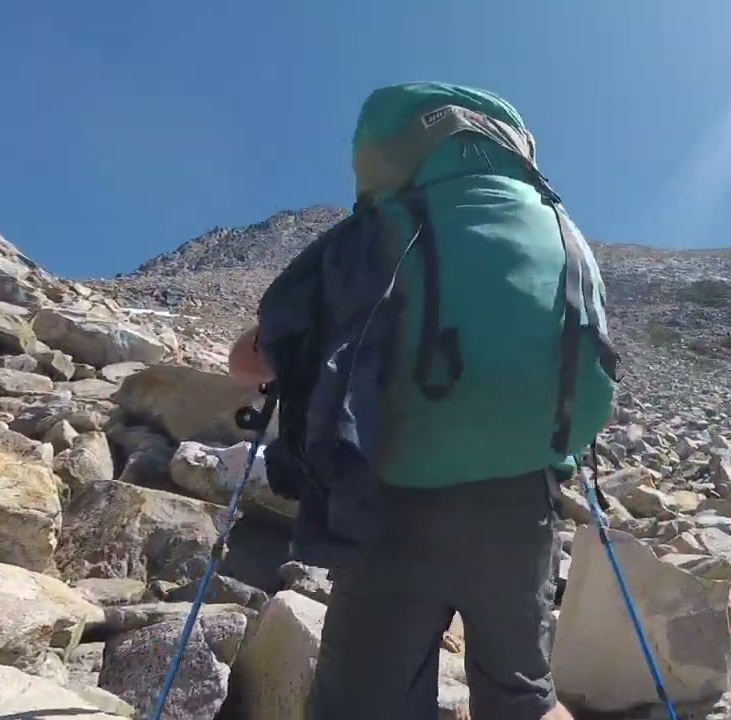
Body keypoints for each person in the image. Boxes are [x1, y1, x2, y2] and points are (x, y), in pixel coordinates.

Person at [225, 82, 616, 720]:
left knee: (362, 704)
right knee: (525, 694)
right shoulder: (560, 233)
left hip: (395, 507)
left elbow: (250, 362)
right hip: (523, 508)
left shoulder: (373, 232)